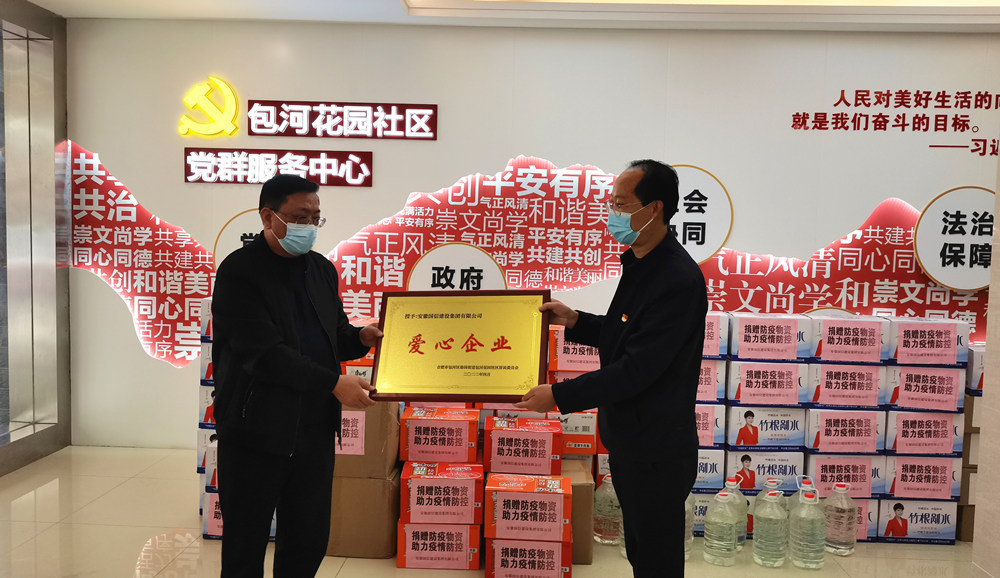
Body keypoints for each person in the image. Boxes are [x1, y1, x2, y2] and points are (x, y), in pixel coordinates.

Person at [515, 160, 707, 577]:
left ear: (654, 208)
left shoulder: (676, 279)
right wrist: (575, 321)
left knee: (656, 559)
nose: (612, 213)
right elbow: (625, 333)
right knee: (641, 550)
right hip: (633, 441)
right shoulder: (642, 263)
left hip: (656, 449)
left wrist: (559, 395)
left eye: (621, 204)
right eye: (611, 204)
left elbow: (637, 368)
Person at [211, 174, 382, 577]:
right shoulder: (239, 272)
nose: (309, 226)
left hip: (313, 431)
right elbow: (263, 354)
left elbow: (333, 335)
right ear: (268, 217)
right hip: (255, 431)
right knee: (245, 545)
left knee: (307, 540)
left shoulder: (321, 270)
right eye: (299, 217)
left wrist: (361, 337)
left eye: (315, 218)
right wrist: (332, 383)